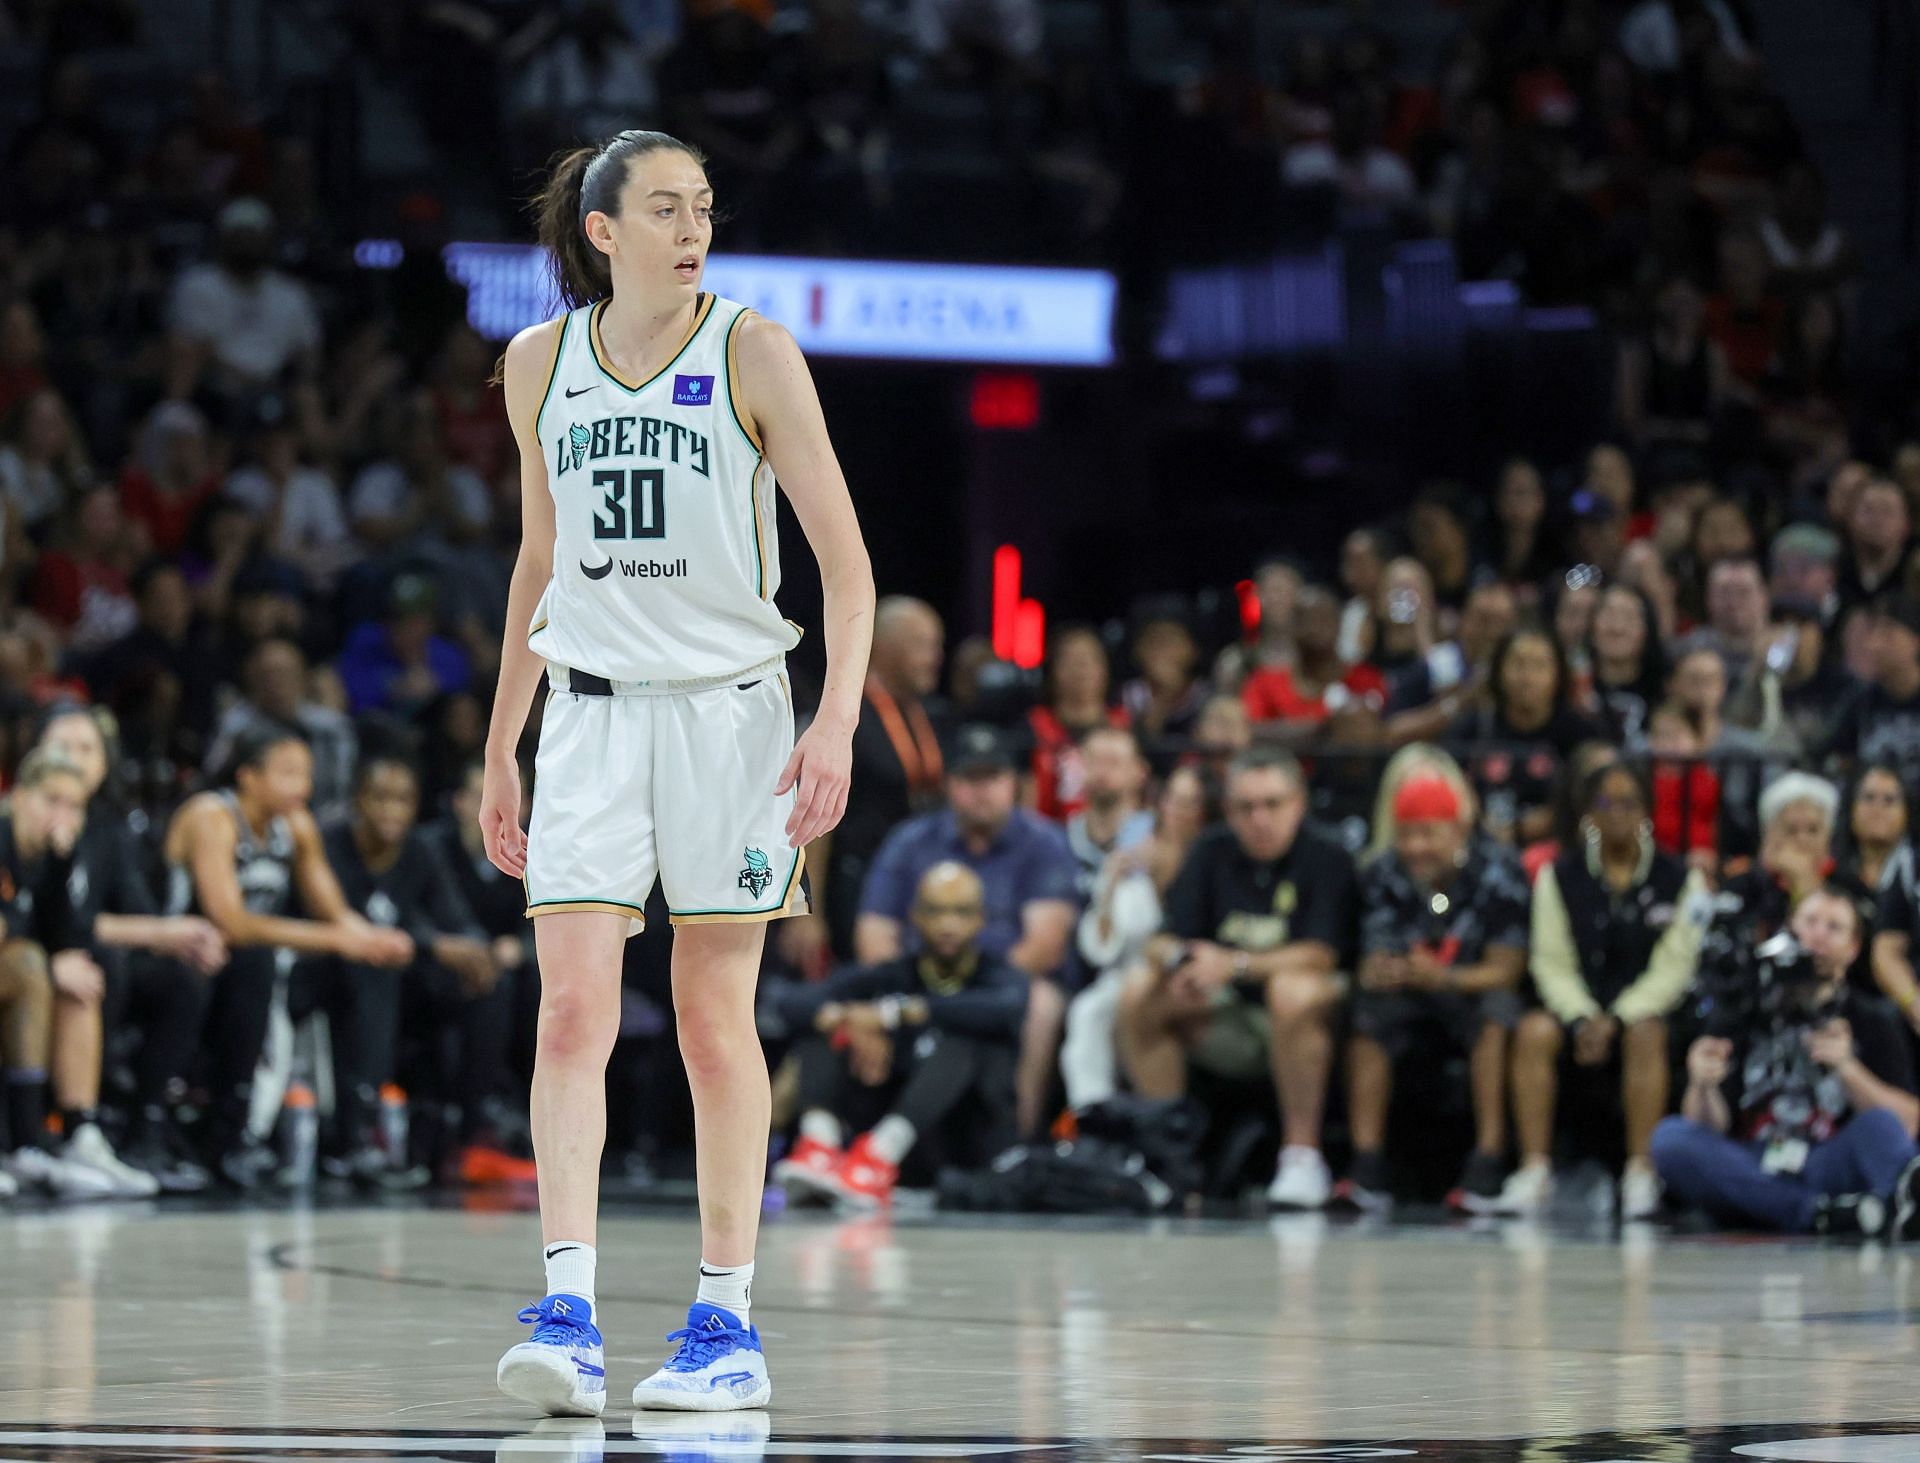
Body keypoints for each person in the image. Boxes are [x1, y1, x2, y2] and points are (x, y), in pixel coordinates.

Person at [477, 131, 872, 1417]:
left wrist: (836, 722)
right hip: (588, 718)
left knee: (713, 1023)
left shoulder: (754, 349)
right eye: (665, 207)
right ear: (604, 230)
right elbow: (539, 561)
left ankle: (726, 1322)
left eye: (704, 204)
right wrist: (502, 743)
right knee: (571, 1013)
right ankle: (572, 1309)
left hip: (732, 720)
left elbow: (846, 568)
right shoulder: (538, 365)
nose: (693, 226)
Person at [162, 727, 414, 1187]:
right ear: (248, 777)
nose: (304, 787)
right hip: (182, 953)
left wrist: (373, 940)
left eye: (307, 774)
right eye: (289, 773)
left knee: (359, 969)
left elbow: (333, 911)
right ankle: (233, 1130)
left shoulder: (294, 823)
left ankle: (356, 1130)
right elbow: (231, 922)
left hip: (253, 962)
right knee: (258, 967)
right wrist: (340, 939)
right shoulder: (213, 817)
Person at [1117, 747, 1357, 1210]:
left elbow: (1321, 954)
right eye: (1246, 808)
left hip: (1314, 1019)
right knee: (1138, 993)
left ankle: (1301, 1157)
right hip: (1232, 1015)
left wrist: (1235, 964)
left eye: (1273, 804)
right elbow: (1161, 941)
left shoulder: (1327, 855)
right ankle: (1170, 1154)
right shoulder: (1211, 850)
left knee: (1291, 990)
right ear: (1227, 811)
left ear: (1299, 803)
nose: (1259, 819)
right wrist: (1185, 960)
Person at [34, 706, 228, 1192]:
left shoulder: (110, 829)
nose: (75, 759)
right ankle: (78, 1125)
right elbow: (48, 920)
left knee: (181, 978)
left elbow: (140, 912)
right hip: (45, 957)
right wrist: (159, 933)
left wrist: (178, 934)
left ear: (105, 763)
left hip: (88, 956)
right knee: (102, 962)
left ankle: (146, 1127)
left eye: (87, 749)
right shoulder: (23, 818)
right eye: (63, 747)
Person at [1652, 887, 1920, 1238]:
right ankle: (1820, 1214)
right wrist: (1702, 1085)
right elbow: (1707, 1127)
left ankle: (1802, 1211)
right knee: (1670, 1138)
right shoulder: (1742, 1009)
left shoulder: (1872, 1019)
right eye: (1809, 922)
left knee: (1881, 1128)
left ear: (1853, 949)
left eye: (1833, 928)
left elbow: (1907, 1123)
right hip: (1752, 1161)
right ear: (1790, 929)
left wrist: (1847, 1069)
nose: (1818, 936)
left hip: (1827, 1159)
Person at [856, 724, 1079, 1139]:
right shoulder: (911, 841)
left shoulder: (1043, 842)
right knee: (858, 999)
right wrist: (904, 987)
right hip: (920, 979)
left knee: (1042, 1003)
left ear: (1014, 783)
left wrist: (967, 994)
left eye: (993, 778)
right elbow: (875, 935)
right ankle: (861, 1138)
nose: (982, 791)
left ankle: (1016, 1138)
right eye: (969, 779)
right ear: (949, 784)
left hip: (1003, 984)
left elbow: (1044, 947)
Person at [1507, 763, 1707, 1219]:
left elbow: (1675, 968)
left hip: (1645, 1012)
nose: (1617, 813)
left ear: (1647, 813)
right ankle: (1534, 1169)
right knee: (1533, 1030)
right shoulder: (1559, 876)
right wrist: (1581, 1017)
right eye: (1604, 803)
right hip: (1577, 1007)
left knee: (1645, 1033)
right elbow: (1550, 961)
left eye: (1629, 803)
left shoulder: (1681, 879)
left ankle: (1640, 1173)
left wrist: (1616, 1019)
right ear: (1587, 816)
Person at [772, 862, 1026, 1209]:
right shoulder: (897, 974)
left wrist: (895, 1015)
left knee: (965, 1037)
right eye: (935, 911)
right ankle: (820, 1146)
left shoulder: (998, 977)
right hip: (897, 1153)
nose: (948, 924)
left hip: (964, 1146)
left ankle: (880, 1154)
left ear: (981, 918)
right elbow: (787, 1000)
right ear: (915, 916)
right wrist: (844, 1019)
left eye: (961, 912)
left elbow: (1007, 1008)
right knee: (831, 1024)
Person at [316, 757, 508, 1187]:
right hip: (332, 971)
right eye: (380, 798)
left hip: (404, 975)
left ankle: (467, 1128)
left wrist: (477, 952)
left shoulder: (419, 851)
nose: (391, 810)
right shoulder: (331, 844)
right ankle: (358, 1136)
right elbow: (346, 923)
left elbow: (455, 918)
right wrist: (433, 945)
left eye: (402, 800)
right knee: (375, 968)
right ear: (357, 801)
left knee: (489, 984)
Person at [1344, 772, 1528, 1213]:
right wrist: (1378, 970)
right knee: (1368, 1012)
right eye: (1406, 834)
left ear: (1458, 829)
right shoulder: (1383, 872)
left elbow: (1506, 970)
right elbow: (1372, 952)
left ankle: (1488, 1160)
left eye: (1428, 834)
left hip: (1470, 993)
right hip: (1410, 996)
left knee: (1496, 1010)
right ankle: (1366, 1166)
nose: (1415, 847)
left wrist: (1443, 977)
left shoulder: (1499, 870)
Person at [0, 746, 123, 1199]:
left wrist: (62, 865)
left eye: (75, 806)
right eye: (52, 800)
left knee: (78, 975)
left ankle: (68, 1136)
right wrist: (51, 961)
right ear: (19, 796)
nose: (63, 816)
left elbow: (67, 936)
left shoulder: (49, 858)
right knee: (33, 965)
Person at [1064, 763, 1215, 1109]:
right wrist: (1111, 882)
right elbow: (1099, 945)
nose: (1176, 810)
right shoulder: (1134, 852)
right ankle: (1092, 1115)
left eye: (1189, 802)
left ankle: (1156, 1119)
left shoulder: (1214, 856)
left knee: (1134, 996)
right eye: (1171, 799)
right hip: (1130, 969)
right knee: (1089, 1011)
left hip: (1195, 973)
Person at [804, 595, 945, 965]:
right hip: (856, 882)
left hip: (917, 881)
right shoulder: (847, 718)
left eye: (936, 645)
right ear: (880, 645)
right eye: (922, 644)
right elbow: (815, 821)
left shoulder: (927, 714)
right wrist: (808, 912)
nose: (933, 657)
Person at [1023, 625, 1128, 823]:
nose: (1081, 669)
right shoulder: (1032, 727)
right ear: (1053, 670)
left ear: (1105, 669)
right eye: (1070, 661)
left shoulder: (1124, 727)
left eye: (1090, 660)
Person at [1822, 592, 1920, 796]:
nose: (1874, 645)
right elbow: (1832, 757)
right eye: (1873, 633)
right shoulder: (1859, 700)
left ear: (1915, 641)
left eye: (1888, 635)